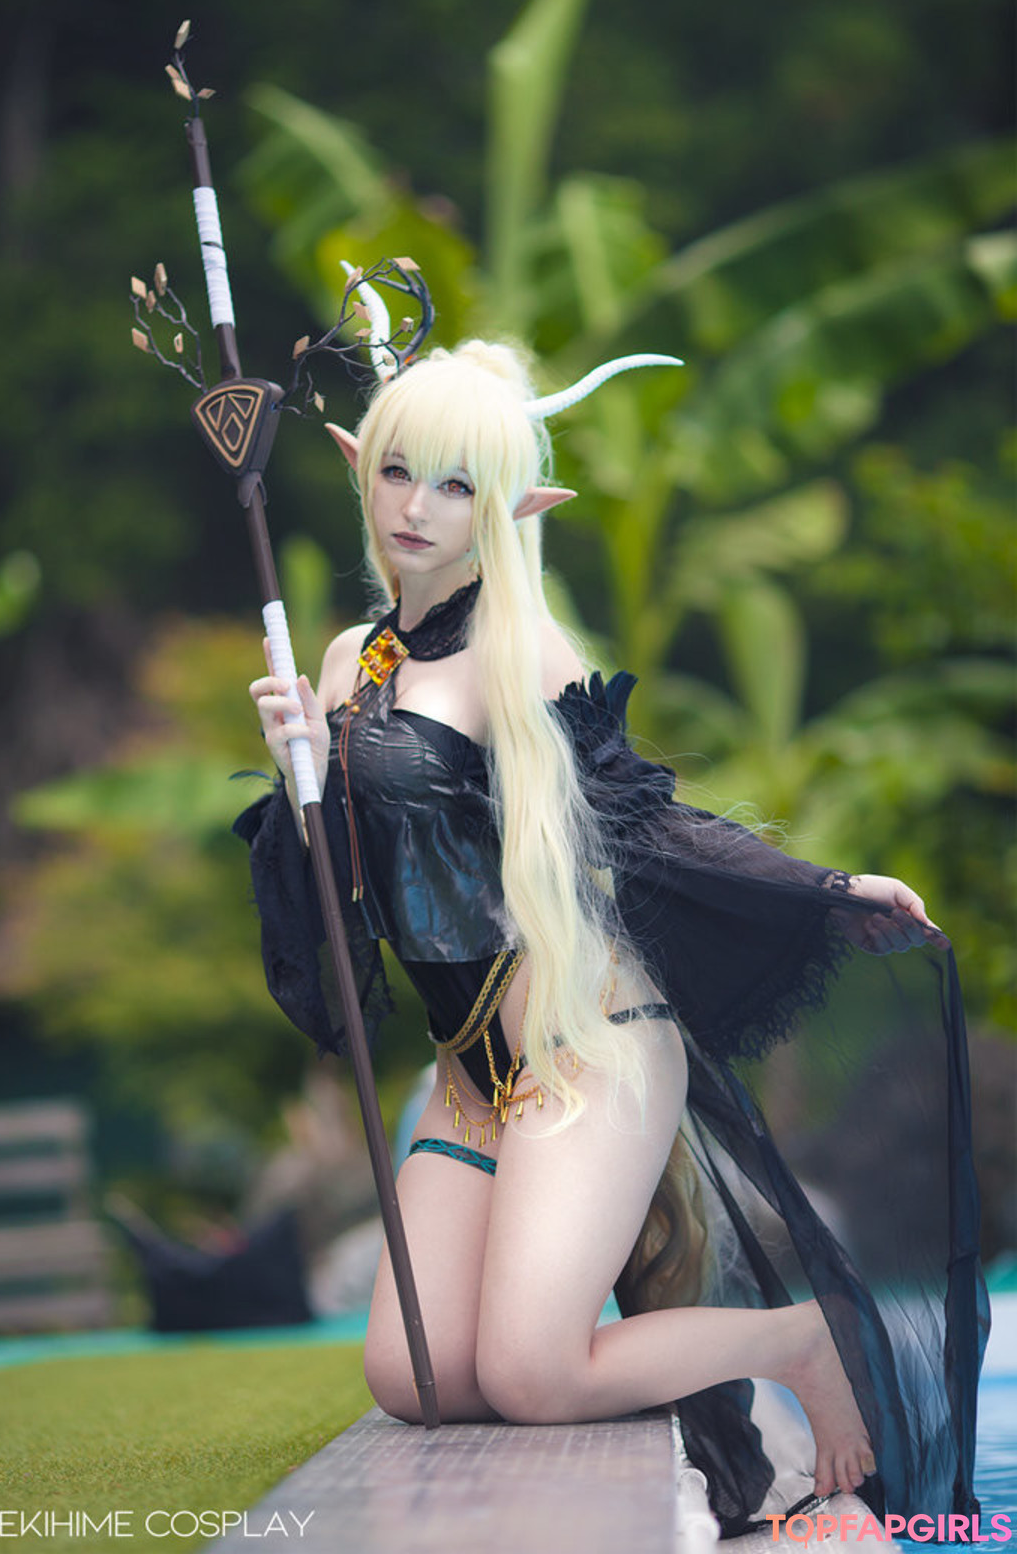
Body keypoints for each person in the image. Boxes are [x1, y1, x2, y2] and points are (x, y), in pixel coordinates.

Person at [236, 339, 986, 1536]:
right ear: (358, 468)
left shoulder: (521, 647)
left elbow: (642, 824)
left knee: (532, 1375)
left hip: (587, 1047)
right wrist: (303, 770)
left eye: (457, 484)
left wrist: (828, 886)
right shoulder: (345, 663)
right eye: (398, 472)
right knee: (416, 1379)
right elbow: (338, 901)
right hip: (469, 1075)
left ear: (512, 506)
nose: (417, 508)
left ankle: (803, 1336)